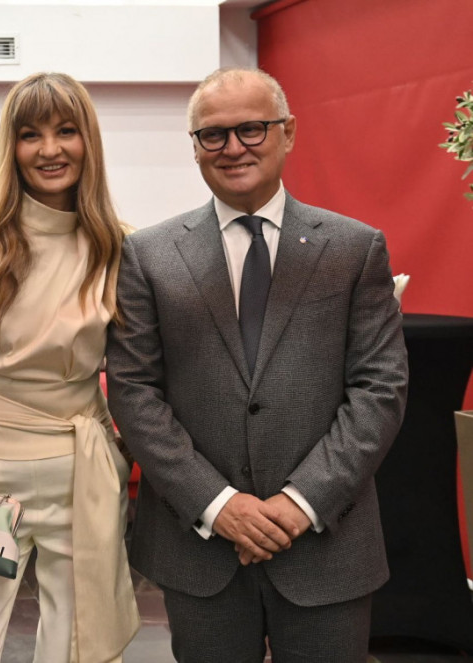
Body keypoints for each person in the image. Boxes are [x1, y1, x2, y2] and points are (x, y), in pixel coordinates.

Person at [106, 67, 408, 662]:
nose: (233, 147)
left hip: (327, 546)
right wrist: (218, 505)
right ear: (195, 146)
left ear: (287, 132)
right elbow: (133, 392)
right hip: (201, 549)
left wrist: (300, 502)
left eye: (252, 129)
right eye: (213, 135)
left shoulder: (353, 248)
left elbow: (380, 390)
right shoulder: (148, 255)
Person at [0, 72, 139, 662]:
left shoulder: (120, 246)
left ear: (88, 141)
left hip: (83, 474)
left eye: (66, 131)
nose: (49, 149)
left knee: (78, 650)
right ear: (10, 147)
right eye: (30, 135)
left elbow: (138, 375)